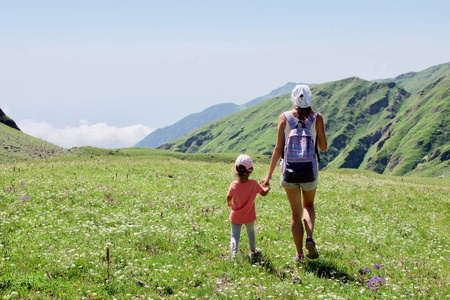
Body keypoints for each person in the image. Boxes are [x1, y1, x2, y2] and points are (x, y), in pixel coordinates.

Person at [262, 84, 327, 262]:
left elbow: (278, 148)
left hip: (289, 171)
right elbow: (323, 147)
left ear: (293, 98)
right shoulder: (317, 118)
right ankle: (310, 237)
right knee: (309, 206)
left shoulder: (284, 117)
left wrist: (268, 175)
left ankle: (299, 255)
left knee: (295, 213)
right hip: (309, 171)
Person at [227, 154, 270, 258]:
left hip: (235, 216)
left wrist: (230, 202)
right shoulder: (254, 184)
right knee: (251, 233)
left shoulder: (233, 185)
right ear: (250, 171)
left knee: (235, 235)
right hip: (249, 215)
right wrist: (268, 187)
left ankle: (233, 254)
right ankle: (253, 251)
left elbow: (229, 196)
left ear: (236, 170)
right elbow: (263, 193)